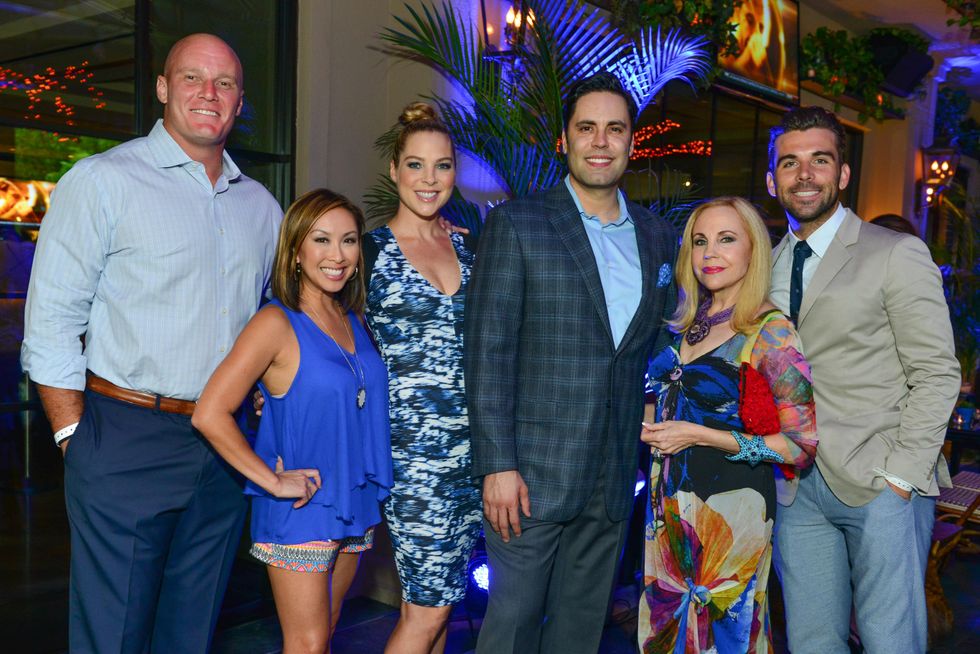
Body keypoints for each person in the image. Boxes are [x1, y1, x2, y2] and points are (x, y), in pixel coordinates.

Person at [20, 33, 282, 653]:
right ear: (163, 89)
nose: (208, 94)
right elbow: (53, 317)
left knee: (190, 633)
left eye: (224, 83)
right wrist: (72, 437)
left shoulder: (262, 208)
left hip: (223, 446)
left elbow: (275, 321)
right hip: (124, 435)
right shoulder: (103, 181)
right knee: (113, 635)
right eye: (192, 78)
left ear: (240, 101)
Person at [464, 71, 678, 653]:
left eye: (615, 129)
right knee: (509, 628)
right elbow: (487, 354)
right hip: (528, 477)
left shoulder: (660, 238)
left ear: (634, 142)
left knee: (579, 634)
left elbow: (653, 348)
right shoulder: (519, 224)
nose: (601, 142)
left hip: (611, 476)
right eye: (587, 128)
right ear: (565, 139)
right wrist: (496, 466)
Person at [766, 106, 960, 653]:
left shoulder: (895, 252)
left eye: (819, 160)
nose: (804, 174)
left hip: (880, 484)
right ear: (772, 178)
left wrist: (901, 476)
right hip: (795, 488)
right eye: (790, 163)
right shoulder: (766, 264)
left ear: (843, 174)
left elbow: (937, 373)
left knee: (888, 640)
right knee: (809, 640)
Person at [193, 188, 392, 654]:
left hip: (352, 497)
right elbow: (209, 413)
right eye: (321, 240)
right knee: (307, 642)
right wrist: (273, 481)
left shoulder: (351, 317)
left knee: (329, 628)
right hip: (303, 504)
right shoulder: (276, 322)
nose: (337, 255)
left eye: (348, 241)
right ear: (296, 251)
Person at [638, 197, 818, 652]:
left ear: (752, 251)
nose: (710, 253)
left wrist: (702, 436)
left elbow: (799, 446)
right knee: (666, 633)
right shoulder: (686, 324)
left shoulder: (771, 332)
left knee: (725, 638)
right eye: (700, 241)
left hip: (732, 518)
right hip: (668, 511)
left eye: (726, 239)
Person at [361, 103, 482, 654]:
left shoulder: (468, 247)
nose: (429, 180)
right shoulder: (365, 253)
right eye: (415, 165)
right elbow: (311, 332)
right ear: (393, 170)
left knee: (432, 606)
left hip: (475, 454)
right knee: (429, 613)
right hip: (411, 458)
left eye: (442, 166)